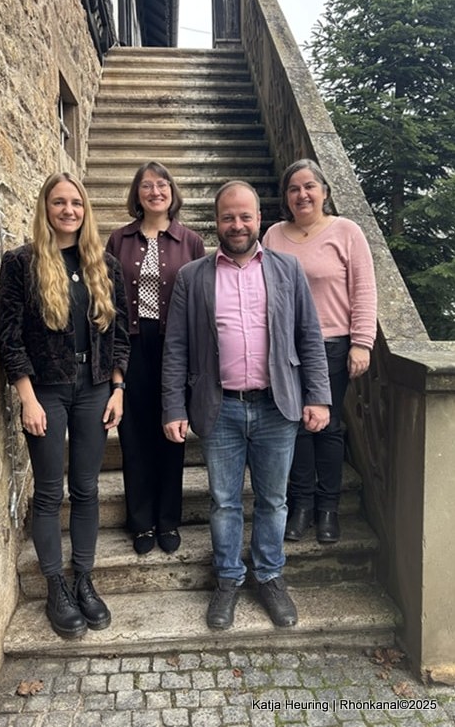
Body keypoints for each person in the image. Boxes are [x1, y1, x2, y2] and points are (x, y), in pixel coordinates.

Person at [162, 180, 331, 631]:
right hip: (220, 409)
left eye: (245, 216)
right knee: (224, 502)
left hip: (277, 406)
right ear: (216, 222)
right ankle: (228, 578)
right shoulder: (193, 276)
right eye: (228, 217)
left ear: (259, 219)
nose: (236, 225)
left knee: (274, 500)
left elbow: (309, 336)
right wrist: (173, 407)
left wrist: (318, 396)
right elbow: (176, 347)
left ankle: (270, 575)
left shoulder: (287, 269)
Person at [0, 172, 130, 639]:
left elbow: (120, 333)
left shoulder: (104, 265)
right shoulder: (21, 263)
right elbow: (9, 337)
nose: (69, 210)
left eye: (76, 202)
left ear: (85, 209)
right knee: (51, 492)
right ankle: (56, 585)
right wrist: (27, 398)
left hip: (95, 387)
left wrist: (118, 387)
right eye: (59, 202)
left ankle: (84, 579)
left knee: (87, 488)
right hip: (46, 392)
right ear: (46, 208)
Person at [262, 159, 377, 544]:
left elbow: (364, 290)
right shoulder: (274, 236)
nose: (302, 194)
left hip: (332, 346)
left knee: (326, 427)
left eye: (309, 186)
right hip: (285, 349)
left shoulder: (346, 232)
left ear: (324, 191)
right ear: (286, 197)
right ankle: (301, 506)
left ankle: (328, 508)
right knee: (293, 428)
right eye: (293, 188)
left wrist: (361, 342)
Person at [106, 161, 205, 555]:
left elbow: (198, 300)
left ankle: (168, 519)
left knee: (171, 429)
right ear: (137, 193)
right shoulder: (119, 239)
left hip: (173, 344)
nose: (155, 192)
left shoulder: (190, 241)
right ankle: (141, 522)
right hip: (132, 343)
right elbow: (108, 299)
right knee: (134, 435)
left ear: (172, 192)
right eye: (147, 186)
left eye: (162, 185)